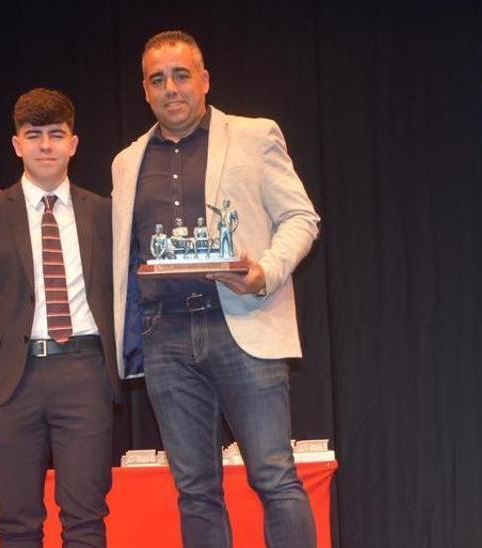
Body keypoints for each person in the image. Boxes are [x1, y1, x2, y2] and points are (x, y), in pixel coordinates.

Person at [110, 30, 321, 547]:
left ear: (204, 80)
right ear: (144, 90)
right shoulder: (126, 161)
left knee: (274, 477)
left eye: (182, 75)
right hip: (166, 341)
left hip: (242, 326)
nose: (171, 88)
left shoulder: (254, 135)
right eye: (158, 79)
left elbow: (300, 217)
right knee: (196, 490)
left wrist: (265, 271)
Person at [0, 88, 117, 548]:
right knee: (16, 524)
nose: (45, 145)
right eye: (34, 135)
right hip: (10, 384)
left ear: (74, 143)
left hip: (85, 373)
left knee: (86, 520)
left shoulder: (104, 213)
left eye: (56, 135)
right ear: (16, 144)